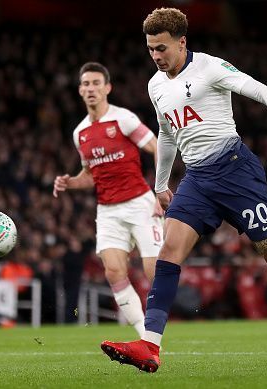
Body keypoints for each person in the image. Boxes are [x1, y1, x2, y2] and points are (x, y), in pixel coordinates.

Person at [100, 8, 267, 373]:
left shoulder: (210, 68)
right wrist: (161, 183)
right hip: (197, 179)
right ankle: (150, 345)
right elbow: (167, 134)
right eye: (150, 49)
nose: (156, 56)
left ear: (182, 42)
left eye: (161, 48)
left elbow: (261, 91)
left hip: (235, 172)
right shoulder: (155, 85)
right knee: (169, 251)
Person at [53, 62, 164, 337]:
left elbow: (158, 148)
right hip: (108, 211)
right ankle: (145, 336)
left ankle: (155, 329)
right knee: (114, 272)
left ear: (107, 88)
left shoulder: (123, 119)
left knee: (155, 274)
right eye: (86, 84)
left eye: (96, 83)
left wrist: (160, 189)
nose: (91, 89)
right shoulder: (80, 133)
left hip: (140, 203)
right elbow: (90, 175)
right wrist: (70, 182)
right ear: (80, 90)